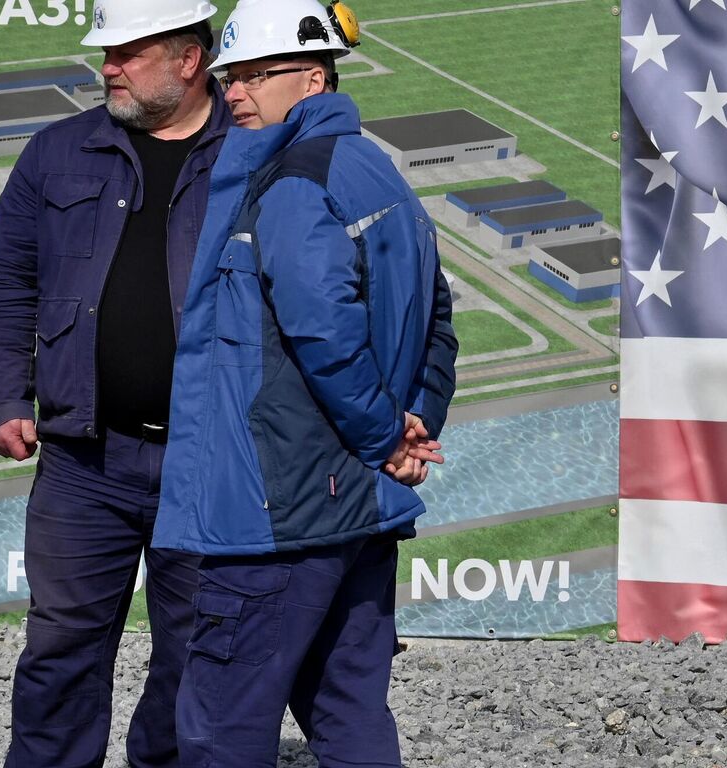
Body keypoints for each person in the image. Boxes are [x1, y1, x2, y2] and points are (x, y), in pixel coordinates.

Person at [152, 0, 458, 765]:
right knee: (348, 709)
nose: (236, 94)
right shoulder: (373, 168)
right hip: (355, 507)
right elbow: (435, 317)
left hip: (276, 510)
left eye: (257, 74)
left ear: (313, 78)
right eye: (230, 77)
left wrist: (389, 437)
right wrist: (413, 423)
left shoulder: (293, 184)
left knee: (221, 721)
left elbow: (325, 332)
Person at [0, 0, 233, 765]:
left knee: (194, 658)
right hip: (85, 464)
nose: (107, 67)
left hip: (209, 464)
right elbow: (7, 285)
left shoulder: (254, 153)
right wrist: (5, 397)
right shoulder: (58, 152)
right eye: (106, 52)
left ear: (189, 58)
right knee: (60, 653)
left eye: (127, 52)